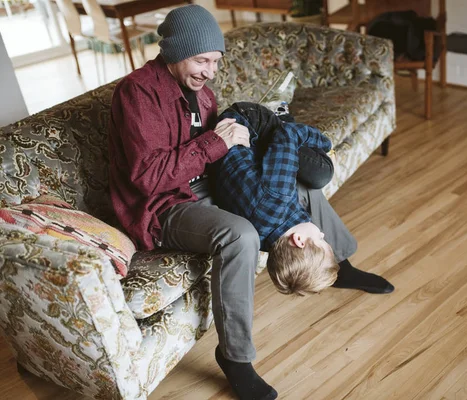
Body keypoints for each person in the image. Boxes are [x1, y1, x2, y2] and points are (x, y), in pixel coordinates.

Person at [107, 5, 390, 400]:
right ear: (172, 51)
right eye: (200, 59)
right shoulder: (137, 92)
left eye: (215, 62)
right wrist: (217, 141)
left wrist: (253, 140)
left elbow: (221, 149)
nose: (209, 71)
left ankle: (338, 264)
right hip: (164, 204)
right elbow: (146, 177)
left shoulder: (201, 92)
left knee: (302, 185)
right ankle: (235, 357)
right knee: (241, 234)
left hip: (206, 184)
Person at [210, 102, 395, 296]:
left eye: (322, 240)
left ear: (297, 240)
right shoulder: (265, 241)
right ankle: (282, 116)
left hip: (246, 119)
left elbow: (288, 134)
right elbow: (287, 134)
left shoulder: (277, 196)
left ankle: (279, 115)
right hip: (241, 148)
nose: (324, 234)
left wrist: (326, 146)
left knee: (322, 172)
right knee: (318, 174)